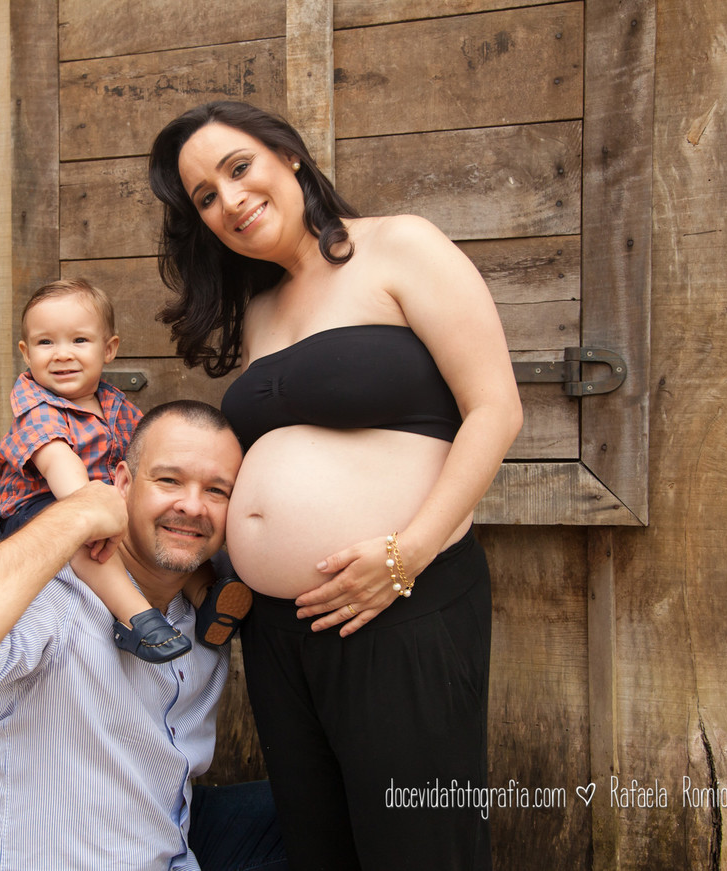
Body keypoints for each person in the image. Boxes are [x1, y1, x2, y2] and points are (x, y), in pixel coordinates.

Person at [148, 101, 524, 870]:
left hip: (397, 600)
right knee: (318, 847)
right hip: (280, 632)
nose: (229, 200)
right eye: (205, 198)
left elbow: (496, 408)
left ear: (287, 154)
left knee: (417, 846)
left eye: (238, 167)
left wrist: (406, 555)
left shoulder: (399, 246)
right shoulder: (258, 308)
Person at [0, 401, 286, 871]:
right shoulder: (55, 597)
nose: (192, 505)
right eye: (168, 480)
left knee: (329, 809)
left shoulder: (210, 608)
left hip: (169, 846)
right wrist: (76, 513)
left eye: (217, 490)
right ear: (121, 483)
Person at [0, 278, 250, 661]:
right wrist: (93, 514)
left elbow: (141, 456)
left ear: (109, 349)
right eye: (46, 343)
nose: (62, 354)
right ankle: (134, 617)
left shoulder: (114, 404)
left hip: (99, 498)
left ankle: (206, 599)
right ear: (26, 353)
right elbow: (61, 467)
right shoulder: (36, 406)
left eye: (79, 341)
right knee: (84, 544)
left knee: (166, 525)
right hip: (41, 507)